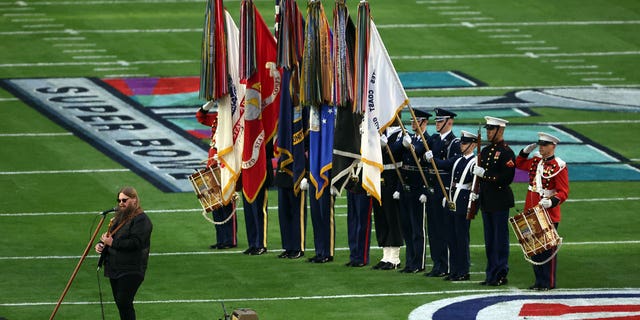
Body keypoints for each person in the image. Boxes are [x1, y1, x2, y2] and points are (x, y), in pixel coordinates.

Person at [515, 132, 569, 291]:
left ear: (553, 146)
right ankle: (539, 281)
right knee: (534, 249)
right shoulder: (536, 161)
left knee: (547, 250)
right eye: (540, 145)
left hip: (548, 213)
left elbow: (563, 191)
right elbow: (519, 164)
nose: (541, 148)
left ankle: (548, 282)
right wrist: (524, 152)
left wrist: (551, 202)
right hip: (531, 211)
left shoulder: (559, 166)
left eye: (545, 145)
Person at [95, 186, 153, 320]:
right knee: (121, 304)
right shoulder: (119, 217)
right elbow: (111, 236)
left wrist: (112, 243)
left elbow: (136, 243)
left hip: (132, 268)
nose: (121, 203)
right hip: (115, 267)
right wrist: (101, 244)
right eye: (119, 200)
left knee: (124, 302)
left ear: (134, 200)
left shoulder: (142, 220)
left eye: (124, 200)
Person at [471, 116, 515, 286]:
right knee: (489, 240)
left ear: (500, 130)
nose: (489, 132)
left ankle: (501, 273)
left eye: (491, 129)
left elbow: (507, 178)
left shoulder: (506, 152)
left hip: (500, 201)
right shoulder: (486, 151)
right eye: (488, 129)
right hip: (487, 200)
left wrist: (485, 175)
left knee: (500, 240)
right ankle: (491, 274)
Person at [423, 108, 461, 278]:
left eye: (440, 121)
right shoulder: (435, 140)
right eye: (436, 121)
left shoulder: (455, 142)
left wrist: (434, 160)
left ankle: (445, 265)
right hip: (433, 189)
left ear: (449, 122)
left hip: (444, 190)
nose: (437, 124)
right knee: (433, 229)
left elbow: (453, 163)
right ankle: (437, 264)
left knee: (444, 229)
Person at [196, 101, 238, 250]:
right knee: (215, 204)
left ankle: (231, 239)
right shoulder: (217, 118)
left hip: (225, 163)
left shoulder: (233, 119)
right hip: (212, 164)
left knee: (227, 202)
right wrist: (211, 102)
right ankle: (221, 239)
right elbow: (200, 116)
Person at [393, 109, 430, 273]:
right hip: (406, 187)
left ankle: (418, 262)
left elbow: (421, 154)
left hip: (418, 189)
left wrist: (425, 190)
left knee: (417, 229)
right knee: (407, 228)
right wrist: (402, 143)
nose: (413, 123)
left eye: (416, 121)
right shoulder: (409, 138)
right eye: (412, 121)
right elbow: (395, 153)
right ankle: (409, 262)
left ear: (424, 123)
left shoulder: (427, 139)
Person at [443, 130, 478, 281]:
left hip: (463, 202)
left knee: (461, 238)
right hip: (452, 199)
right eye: (461, 143)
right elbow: (445, 168)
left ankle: (463, 270)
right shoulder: (458, 159)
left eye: (464, 143)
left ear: (473, 145)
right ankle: (454, 269)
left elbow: (476, 185)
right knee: (451, 237)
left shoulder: (475, 162)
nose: (461, 146)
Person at [372, 124, 404, 270]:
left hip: (393, 178)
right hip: (380, 177)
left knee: (393, 218)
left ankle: (395, 258)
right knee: (381, 217)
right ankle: (385, 255)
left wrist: (386, 146)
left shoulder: (402, 134)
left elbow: (397, 151)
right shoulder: (381, 132)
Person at [344, 167, 373, 267]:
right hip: (351, 184)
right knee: (352, 222)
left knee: (363, 223)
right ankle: (354, 256)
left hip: (364, 185)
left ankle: (362, 257)